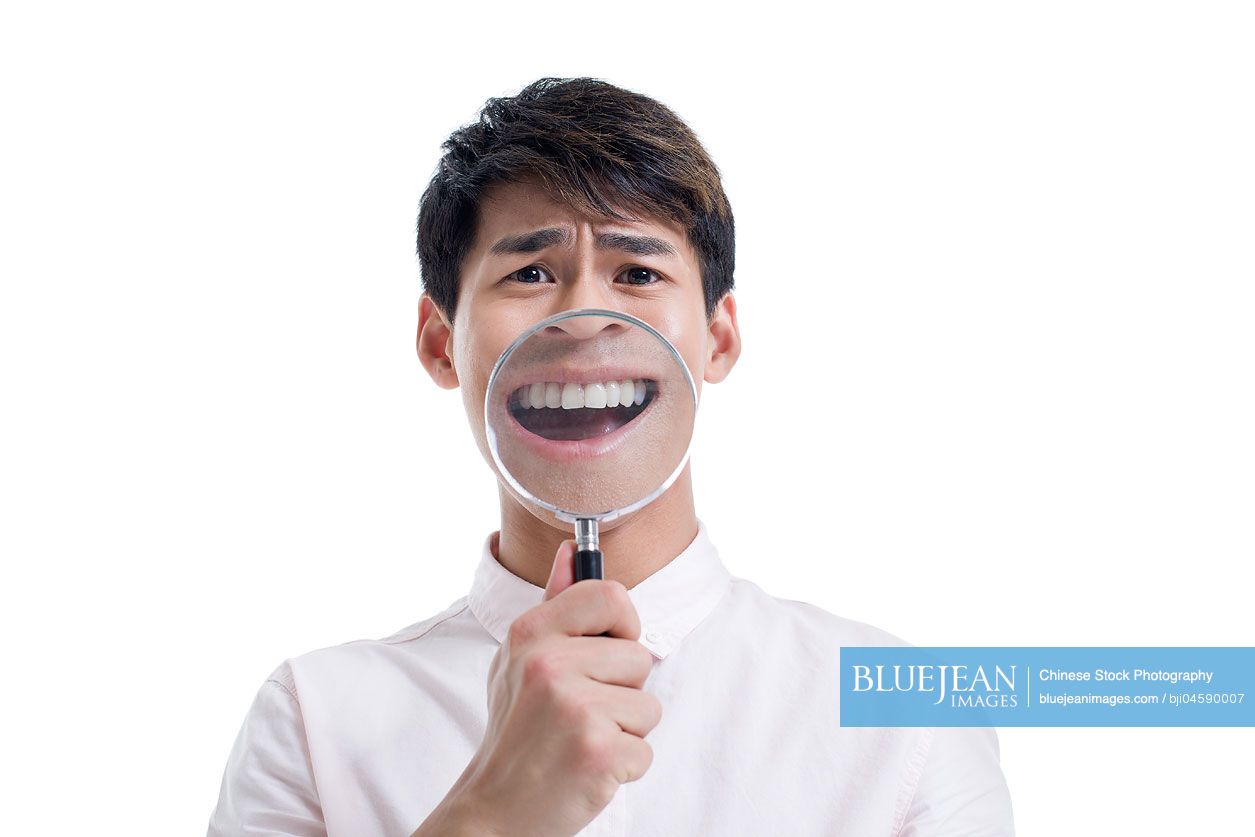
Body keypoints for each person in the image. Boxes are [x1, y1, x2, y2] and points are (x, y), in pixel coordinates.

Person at [207, 76, 1016, 837]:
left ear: (719, 337)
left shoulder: (911, 719)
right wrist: (492, 810)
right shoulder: (311, 718)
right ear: (437, 342)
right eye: (530, 270)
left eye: (636, 270)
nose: (586, 314)